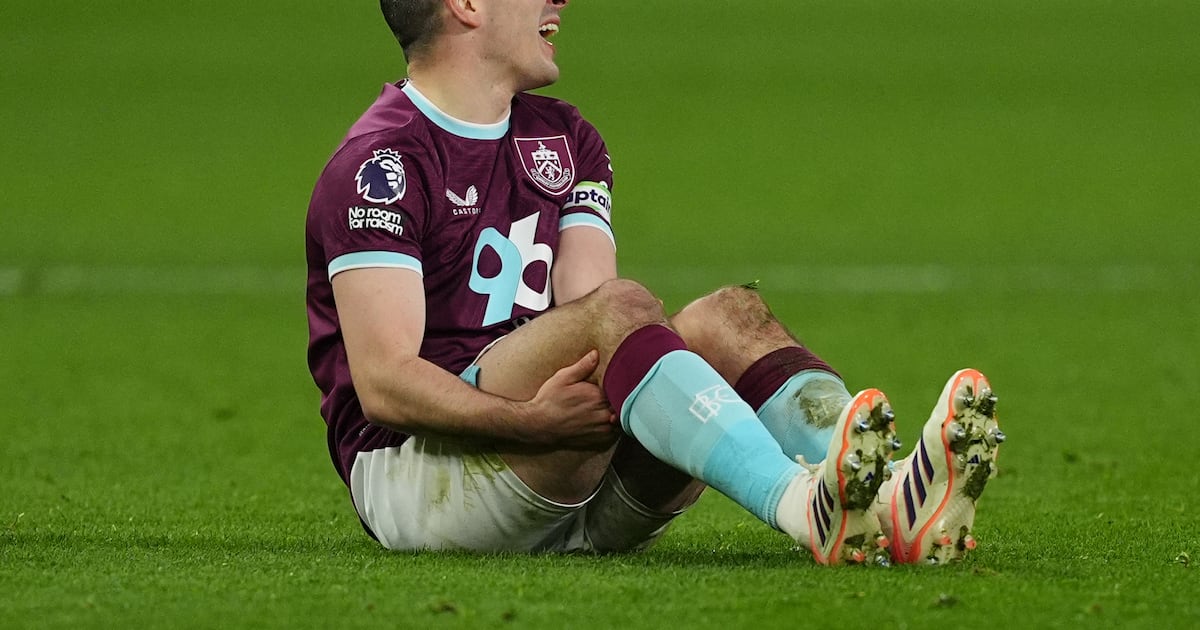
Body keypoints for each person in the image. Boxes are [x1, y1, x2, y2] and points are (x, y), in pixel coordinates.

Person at [304, 0, 1005, 565]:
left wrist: (568, 413)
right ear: (466, 6)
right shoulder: (381, 163)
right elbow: (385, 384)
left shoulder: (566, 139)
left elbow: (593, 319)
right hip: (424, 480)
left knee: (728, 315)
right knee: (622, 311)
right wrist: (527, 422)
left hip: (569, 467)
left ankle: (891, 498)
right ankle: (801, 504)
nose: (559, 1)